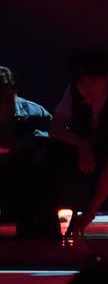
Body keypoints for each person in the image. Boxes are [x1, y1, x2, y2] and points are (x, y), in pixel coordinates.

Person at [49, 49, 108, 237]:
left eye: (93, 82)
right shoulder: (73, 92)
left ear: (107, 76)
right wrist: (81, 144)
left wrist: (89, 215)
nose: (87, 90)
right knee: (55, 153)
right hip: (82, 166)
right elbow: (55, 128)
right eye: (83, 84)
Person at [0, 65, 55, 236]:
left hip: (26, 182)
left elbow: (53, 147)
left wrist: (22, 148)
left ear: (14, 91)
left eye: (4, 98)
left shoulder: (36, 114)